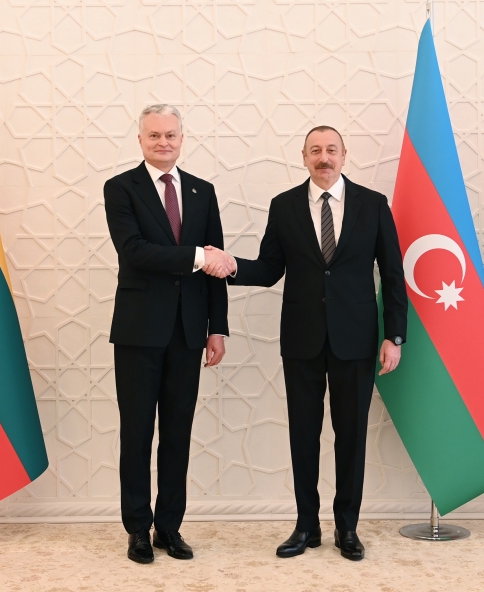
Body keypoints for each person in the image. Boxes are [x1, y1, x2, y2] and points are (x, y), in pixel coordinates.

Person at [204, 126, 407, 561]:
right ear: (303, 157)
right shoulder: (285, 205)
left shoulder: (373, 204)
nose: (324, 157)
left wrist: (394, 336)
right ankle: (306, 525)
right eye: (315, 150)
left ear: (344, 156)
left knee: (351, 436)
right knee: (303, 436)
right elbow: (270, 268)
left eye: (331, 150)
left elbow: (393, 274)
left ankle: (347, 527)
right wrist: (231, 264)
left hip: (356, 339)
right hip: (302, 339)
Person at [104, 104, 229, 564]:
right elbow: (134, 251)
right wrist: (197, 256)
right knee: (137, 433)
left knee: (178, 434)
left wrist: (217, 328)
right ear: (140, 139)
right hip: (138, 331)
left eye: (170, 135)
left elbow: (216, 264)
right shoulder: (120, 188)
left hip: (189, 332)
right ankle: (138, 529)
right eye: (154, 135)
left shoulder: (202, 190)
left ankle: (169, 527)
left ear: (181, 139)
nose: (163, 142)